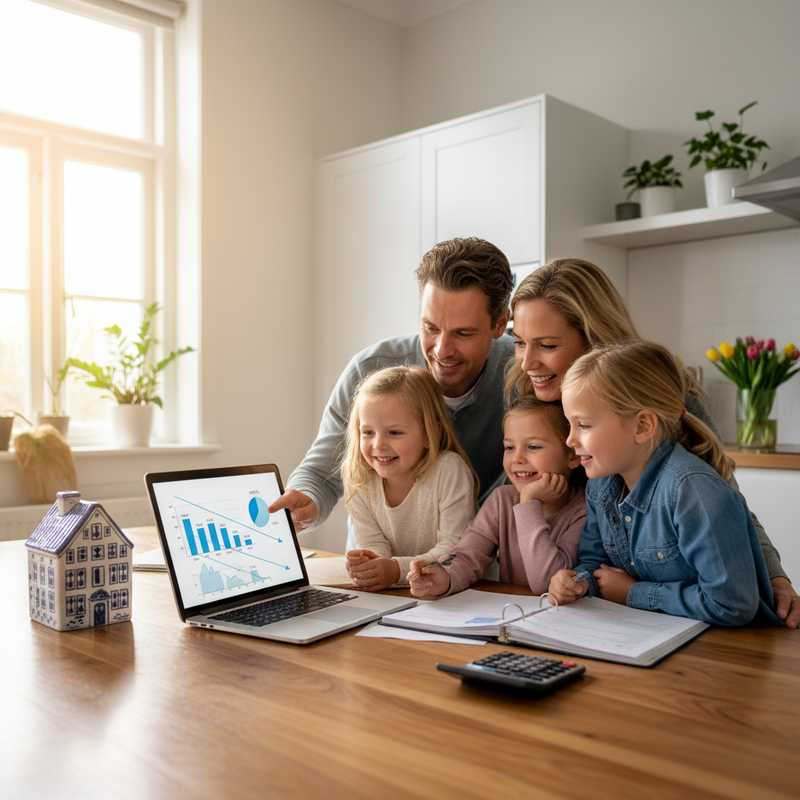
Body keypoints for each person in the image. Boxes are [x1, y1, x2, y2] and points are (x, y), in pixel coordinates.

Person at [507, 257, 800, 628]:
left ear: (593, 340)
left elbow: (725, 508)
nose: (526, 362)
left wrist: (773, 576)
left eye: (547, 345)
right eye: (518, 343)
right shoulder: (527, 397)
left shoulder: (661, 405)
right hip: (609, 612)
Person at [269, 237, 514, 532]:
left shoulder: (520, 373)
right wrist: (305, 499)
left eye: (463, 333)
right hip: (376, 564)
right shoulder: (371, 370)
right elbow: (323, 471)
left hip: (479, 565)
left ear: (499, 324)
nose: (441, 350)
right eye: (430, 328)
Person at [548, 341, 778, 626]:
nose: (570, 440)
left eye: (583, 425)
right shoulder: (601, 485)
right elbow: (596, 565)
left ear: (643, 426)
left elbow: (731, 603)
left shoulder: (693, 491)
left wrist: (633, 593)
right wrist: (578, 582)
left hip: (736, 652)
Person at [407, 396, 586, 598]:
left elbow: (546, 582)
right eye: (509, 447)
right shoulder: (502, 500)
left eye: (533, 446)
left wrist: (528, 504)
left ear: (572, 455)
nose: (517, 458)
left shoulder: (584, 511)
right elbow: (468, 556)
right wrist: (444, 578)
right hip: (510, 619)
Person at [341, 366, 476, 591]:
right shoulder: (359, 477)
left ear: (429, 433)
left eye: (394, 433)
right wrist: (370, 565)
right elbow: (373, 544)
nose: (378, 445)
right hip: (401, 596)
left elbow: (454, 549)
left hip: (452, 594)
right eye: (367, 432)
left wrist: (395, 570)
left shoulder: (449, 470)